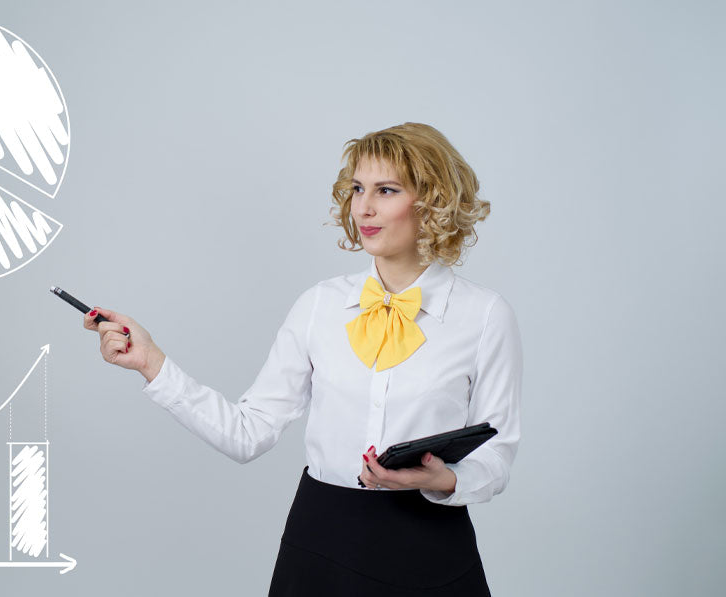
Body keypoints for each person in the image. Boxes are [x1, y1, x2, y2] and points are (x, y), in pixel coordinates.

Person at [83, 122, 522, 596]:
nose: (364, 207)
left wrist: (448, 479)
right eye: (357, 188)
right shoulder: (319, 306)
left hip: (431, 546)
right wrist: (152, 363)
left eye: (386, 190)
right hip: (323, 543)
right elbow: (247, 433)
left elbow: (496, 454)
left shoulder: (485, 316)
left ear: (432, 201)